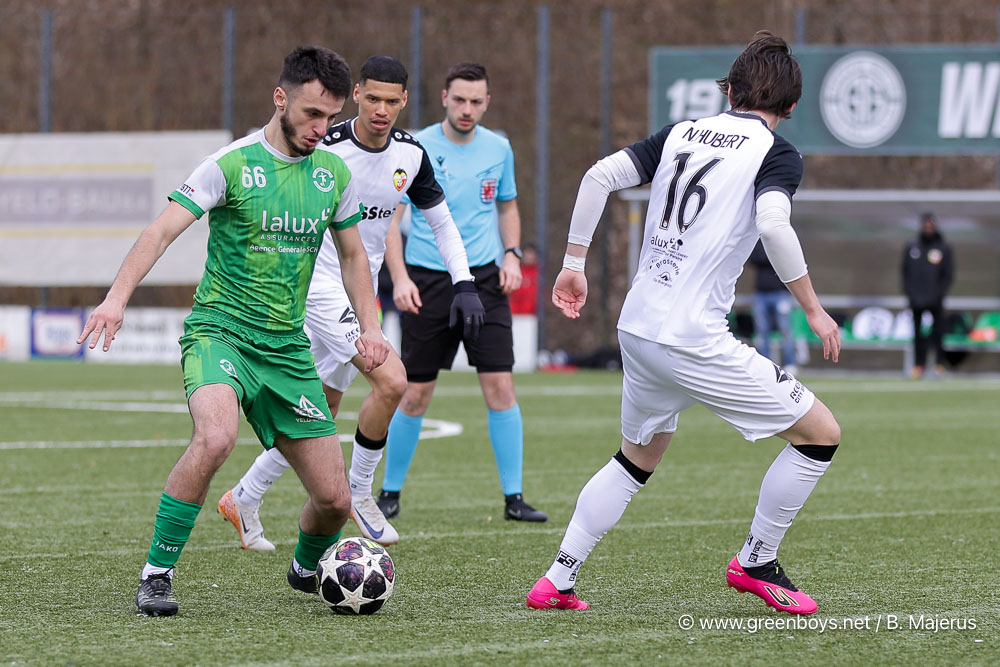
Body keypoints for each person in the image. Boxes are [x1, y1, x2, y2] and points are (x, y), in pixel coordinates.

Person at [526, 31, 842, 615]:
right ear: (792, 105)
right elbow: (774, 225)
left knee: (635, 459)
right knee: (821, 434)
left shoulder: (680, 133)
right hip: (691, 337)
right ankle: (755, 560)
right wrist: (814, 310)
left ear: (730, 90)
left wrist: (573, 264)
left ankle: (556, 580)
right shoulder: (777, 153)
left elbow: (598, 176)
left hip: (638, 328)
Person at [77, 46, 391, 617]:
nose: (321, 128)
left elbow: (354, 257)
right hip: (220, 334)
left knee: (334, 499)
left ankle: (306, 568)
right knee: (216, 437)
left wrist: (370, 327)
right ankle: (156, 574)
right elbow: (160, 231)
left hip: (287, 349)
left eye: (330, 117)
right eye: (311, 114)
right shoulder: (231, 165)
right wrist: (116, 299)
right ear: (280, 98)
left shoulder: (333, 175)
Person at [217, 56, 484, 550]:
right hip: (317, 285)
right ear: (357, 95)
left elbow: (442, 223)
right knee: (393, 380)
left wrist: (464, 283)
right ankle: (360, 491)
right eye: (372, 98)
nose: (381, 110)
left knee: (320, 409)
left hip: (361, 289)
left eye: (391, 101)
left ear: (404, 102)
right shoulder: (325, 146)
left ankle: (244, 496)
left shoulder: (411, 155)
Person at [377, 62, 547, 522]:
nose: (466, 109)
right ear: (444, 98)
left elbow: (508, 206)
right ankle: (388, 493)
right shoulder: (415, 147)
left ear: (486, 103)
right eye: (459, 100)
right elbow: (392, 218)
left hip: (485, 281)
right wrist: (401, 278)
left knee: (501, 386)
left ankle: (514, 499)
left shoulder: (499, 148)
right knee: (414, 393)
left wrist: (512, 255)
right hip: (427, 280)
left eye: (475, 101)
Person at [902, 212, 954, 378]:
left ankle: (939, 365)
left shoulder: (943, 247)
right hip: (916, 299)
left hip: (935, 300)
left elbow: (948, 275)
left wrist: (938, 294)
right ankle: (919, 365)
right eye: (926, 225)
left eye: (931, 225)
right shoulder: (913, 247)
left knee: (937, 333)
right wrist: (910, 294)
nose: (928, 228)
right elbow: (905, 273)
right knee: (918, 334)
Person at [749, 240, 798, 374]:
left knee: (785, 329)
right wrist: (772, 255)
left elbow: (788, 258)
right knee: (761, 330)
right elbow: (754, 259)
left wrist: (772, 255)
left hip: (781, 293)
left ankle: (790, 363)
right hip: (761, 294)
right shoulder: (758, 241)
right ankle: (765, 365)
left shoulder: (784, 238)